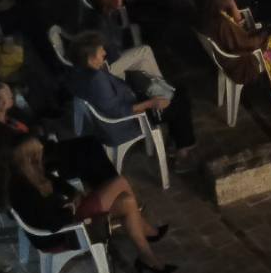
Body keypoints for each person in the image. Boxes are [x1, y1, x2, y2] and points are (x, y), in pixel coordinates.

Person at [8, 137, 173, 273]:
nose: (43, 157)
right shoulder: (23, 189)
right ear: (31, 159)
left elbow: (61, 185)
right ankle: (145, 239)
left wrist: (74, 195)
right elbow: (51, 224)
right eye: (39, 154)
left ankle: (146, 254)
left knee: (127, 201)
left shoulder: (32, 173)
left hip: (67, 216)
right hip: (63, 231)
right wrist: (71, 208)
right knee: (120, 183)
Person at [65, 31, 196, 171]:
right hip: (129, 121)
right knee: (180, 103)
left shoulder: (79, 72)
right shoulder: (97, 80)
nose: (104, 52)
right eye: (100, 50)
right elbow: (117, 111)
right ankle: (183, 154)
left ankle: (176, 141)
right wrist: (151, 103)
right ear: (90, 58)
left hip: (122, 109)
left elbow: (108, 101)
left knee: (178, 92)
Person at [0, 82, 118, 188]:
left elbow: (32, 125)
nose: (11, 95)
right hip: (38, 162)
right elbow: (16, 154)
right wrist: (37, 133)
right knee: (89, 149)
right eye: (7, 94)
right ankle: (112, 187)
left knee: (89, 146)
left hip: (45, 148)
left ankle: (107, 187)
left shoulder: (7, 116)